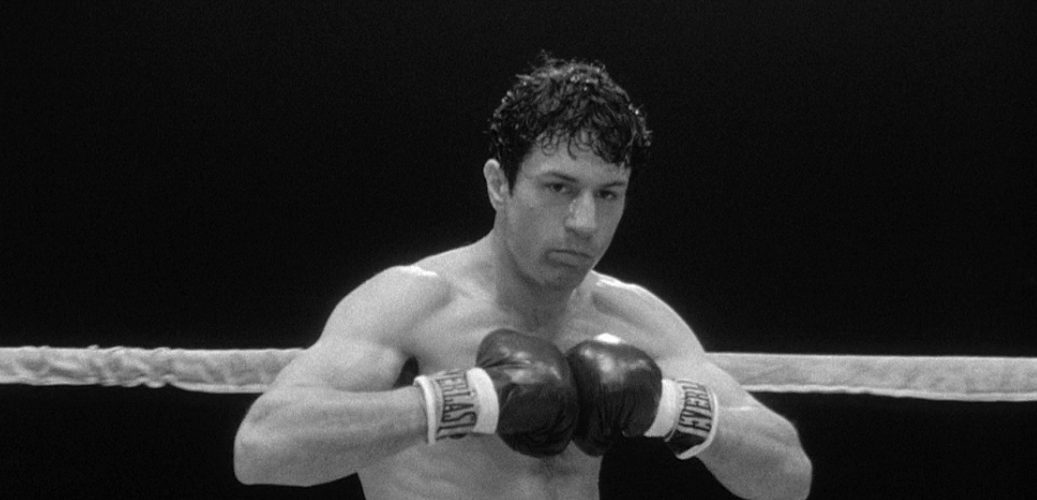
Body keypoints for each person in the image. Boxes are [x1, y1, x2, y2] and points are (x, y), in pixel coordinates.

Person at [233, 55, 812, 500]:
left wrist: (673, 410)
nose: (584, 223)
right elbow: (262, 447)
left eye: (609, 194)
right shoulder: (413, 303)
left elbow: (789, 475)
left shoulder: (634, 319)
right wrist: (463, 401)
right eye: (559, 187)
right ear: (498, 184)